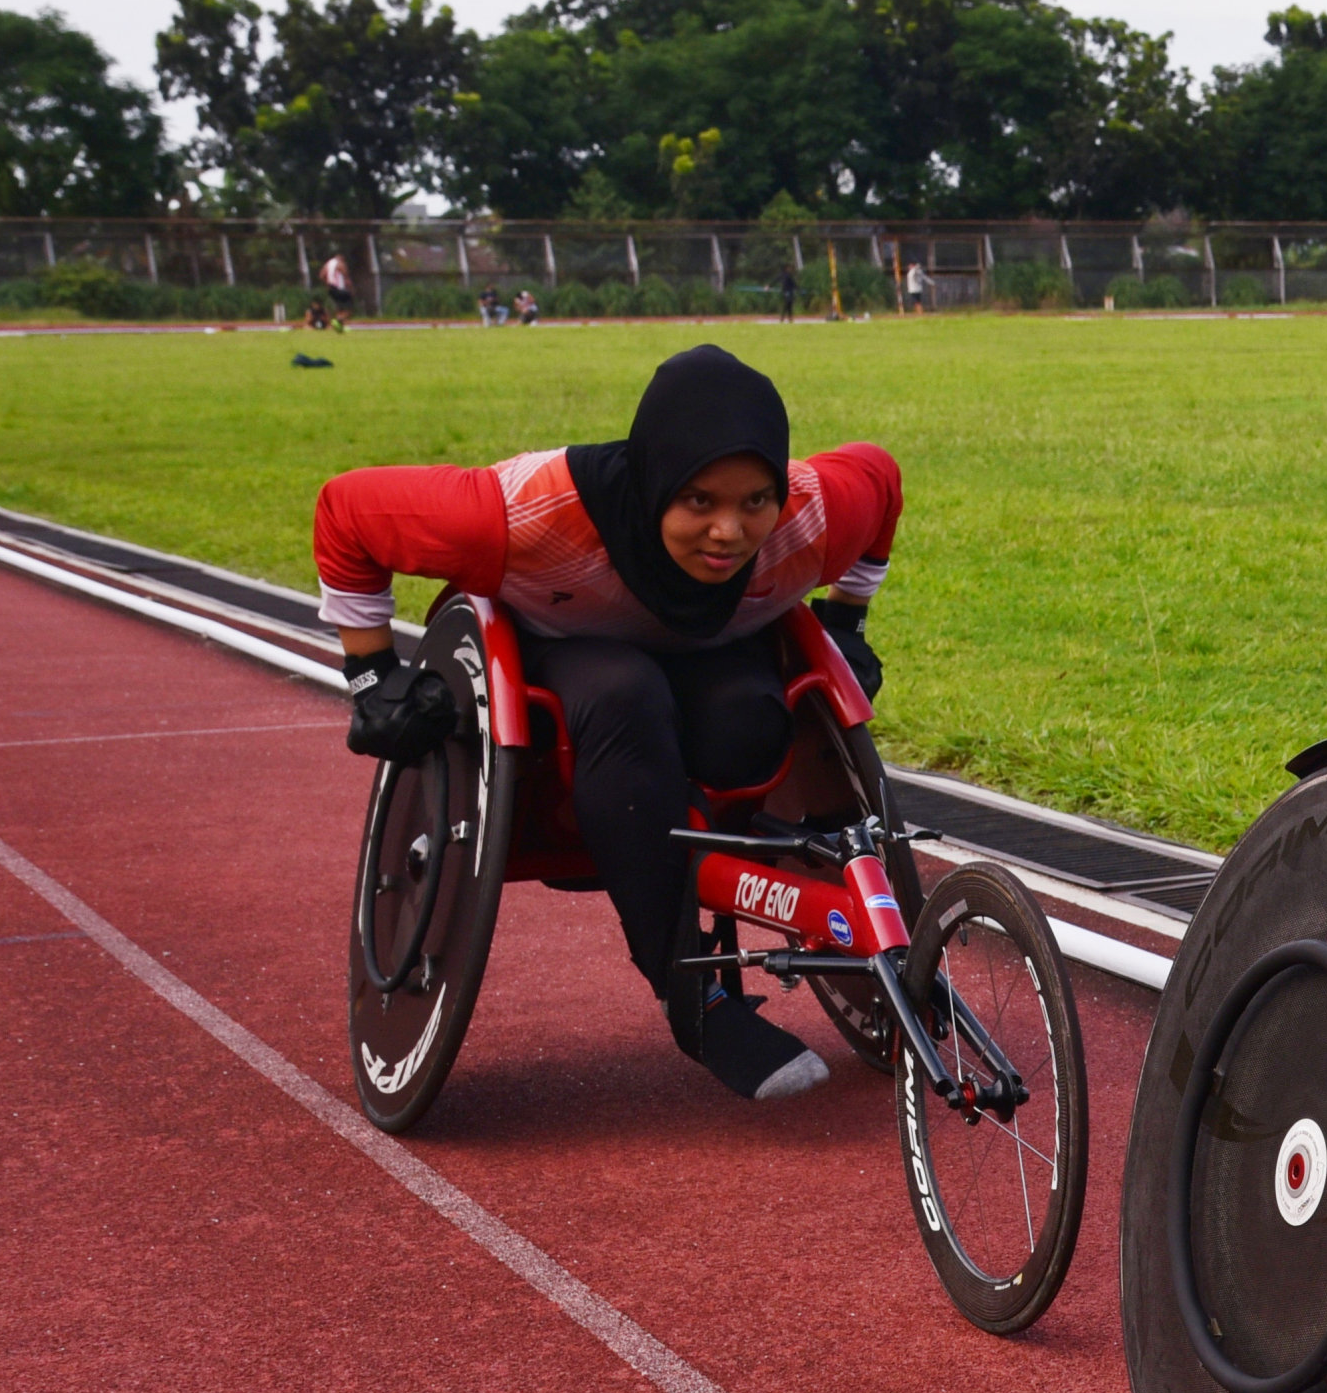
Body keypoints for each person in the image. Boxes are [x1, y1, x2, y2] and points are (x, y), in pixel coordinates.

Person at [311, 344, 904, 1103]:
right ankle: (694, 1001)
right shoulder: (520, 512)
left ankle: (713, 859)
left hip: (712, 651)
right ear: (654, 480)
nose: (729, 530)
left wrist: (846, 624)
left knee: (750, 725)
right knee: (627, 694)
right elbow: (347, 510)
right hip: (566, 653)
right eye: (699, 502)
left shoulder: (815, 513)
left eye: (756, 501)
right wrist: (370, 673)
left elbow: (880, 478)